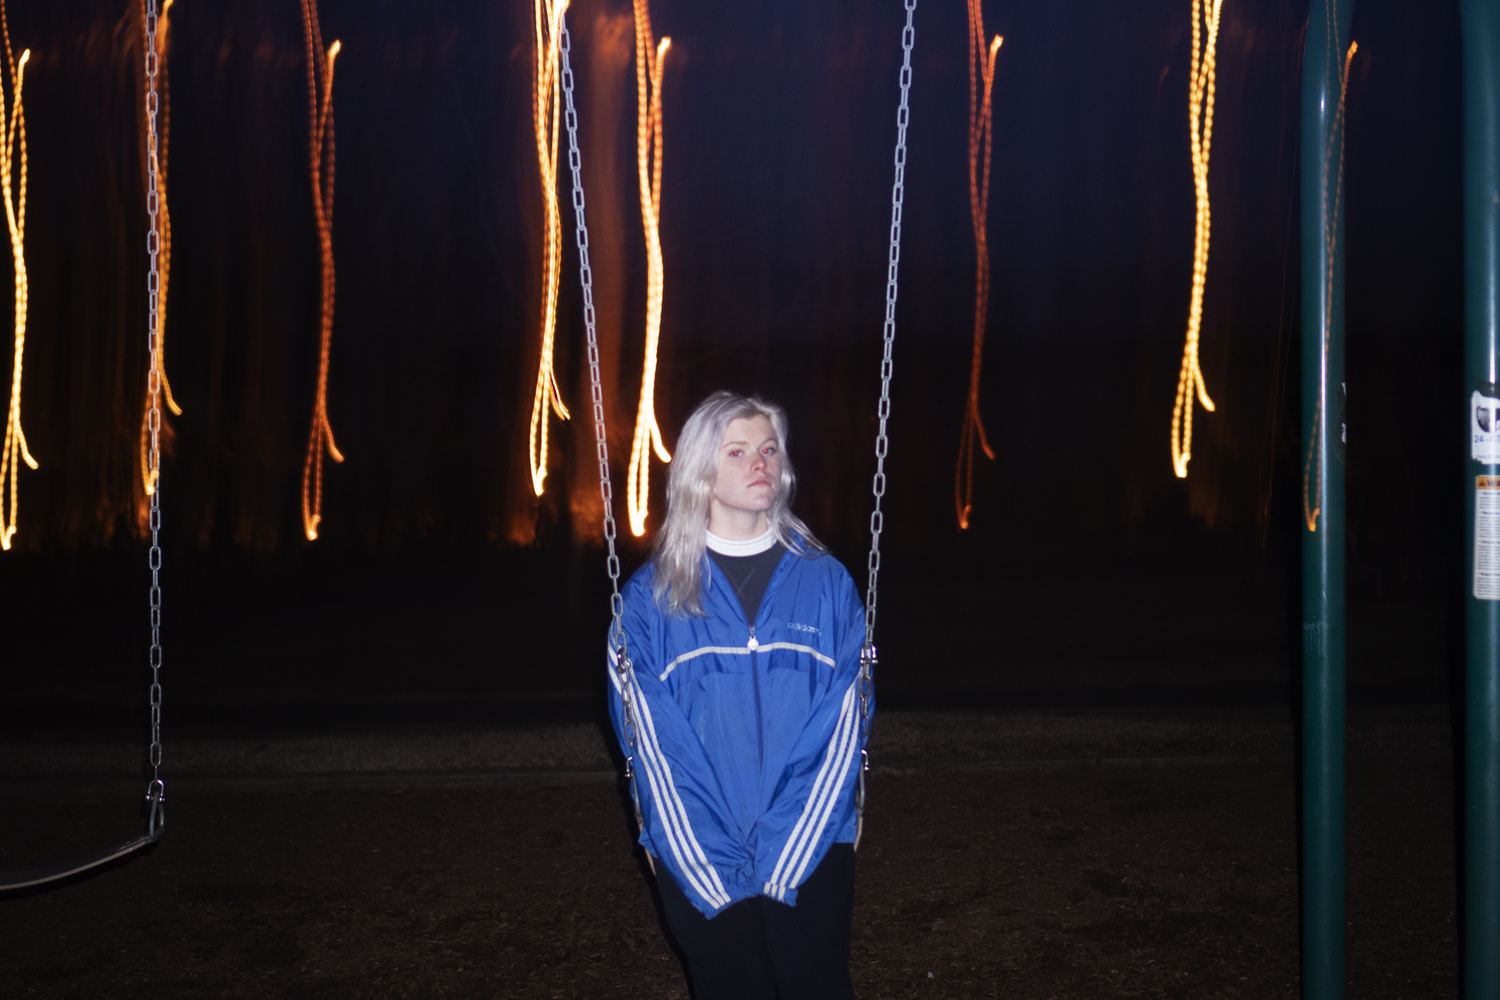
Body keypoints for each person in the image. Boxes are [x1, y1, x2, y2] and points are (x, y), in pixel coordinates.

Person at [607, 390, 870, 1000]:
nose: (760, 462)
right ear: (700, 471)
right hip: (699, 848)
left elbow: (845, 722)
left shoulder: (826, 583)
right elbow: (653, 743)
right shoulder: (652, 599)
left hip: (810, 840)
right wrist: (701, 854)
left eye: (770, 449)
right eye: (738, 451)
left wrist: (793, 844)